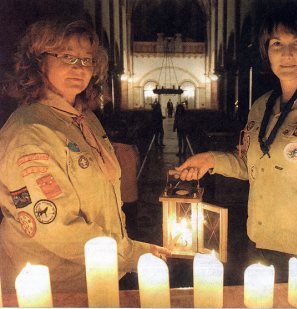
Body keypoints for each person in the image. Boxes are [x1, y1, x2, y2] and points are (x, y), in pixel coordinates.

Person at [174, 4, 297, 282]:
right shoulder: (262, 106)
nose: (286, 53)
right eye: (277, 43)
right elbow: (253, 165)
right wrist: (211, 160)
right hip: (260, 246)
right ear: (267, 51)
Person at [0, 18, 170, 293]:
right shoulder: (30, 133)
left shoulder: (85, 118)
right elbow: (58, 228)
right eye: (67, 57)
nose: (79, 68)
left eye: (87, 60)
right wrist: (131, 254)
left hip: (100, 274)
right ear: (38, 61)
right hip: (56, 285)